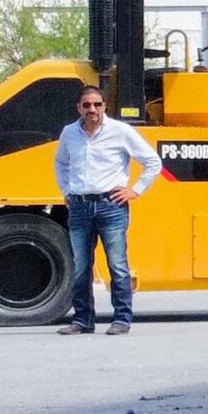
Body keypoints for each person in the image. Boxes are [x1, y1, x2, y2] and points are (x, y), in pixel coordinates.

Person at [52, 83, 162, 335]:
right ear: (79, 108)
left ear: (105, 106)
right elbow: (60, 162)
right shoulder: (69, 133)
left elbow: (153, 162)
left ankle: (121, 319)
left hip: (111, 206)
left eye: (97, 104)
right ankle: (82, 320)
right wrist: (66, 190)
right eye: (87, 105)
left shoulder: (120, 131)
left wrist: (135, 190)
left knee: (118, 265)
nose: (92, 109)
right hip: (79, 207)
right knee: (81, 267)